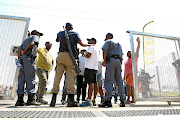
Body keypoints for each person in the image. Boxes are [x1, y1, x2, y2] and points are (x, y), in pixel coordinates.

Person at [50, 23, 90, 107]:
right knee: (70, 77)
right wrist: (89, 45)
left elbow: (57, 40)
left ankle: (53, 99)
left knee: (57, 76)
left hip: (60, 55)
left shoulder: (60, 33)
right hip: (70, 56)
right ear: (71, 27)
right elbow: (81, 44)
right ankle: (71, 100)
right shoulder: (74, 33)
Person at [15, 30, 43, 106]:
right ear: (36, 34)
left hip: (23, 60)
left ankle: (19, 100)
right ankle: (31, 100)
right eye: (39, 34)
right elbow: (32, 43)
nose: (39, 36)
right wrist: (25, 51)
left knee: (21, 79)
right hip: (29, 58)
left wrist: (20, 59)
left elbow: (19, 49)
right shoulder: (34, 37)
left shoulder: (25, 40)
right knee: (30, 78)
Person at [98, 33, 125, 107]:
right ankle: (122, 100)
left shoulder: (108, 42)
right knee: (119, 81)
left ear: (107, 37)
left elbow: (104, 50)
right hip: (118, 61)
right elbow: (122, 56)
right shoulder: (119, 44)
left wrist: (104, 61)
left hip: (111, 60)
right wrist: (120, 64)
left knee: (109, 80)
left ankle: (107, 100)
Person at [80, 38, 99, 107]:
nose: (88, 41)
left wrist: (83, 53)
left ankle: (88, 100)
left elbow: (88, 55)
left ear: (93, 41)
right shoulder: (96, 49)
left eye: (90, 40)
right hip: (94, 68)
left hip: (89, 68)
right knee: (94, 84)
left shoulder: (91, 47)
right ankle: (93, 99)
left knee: (90, 84)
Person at [124, 37, 140, 103]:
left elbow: (137, 49)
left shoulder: (134, 57)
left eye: (129, 52)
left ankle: (128, 99)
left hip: (132, 73)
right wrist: (124, 76)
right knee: (130, 86)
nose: (128, 53)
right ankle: (133, 99)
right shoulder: (126, 60)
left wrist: (138, 42)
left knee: (128, 86)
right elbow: (125, 68)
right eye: (127, 53)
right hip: (127, 74)